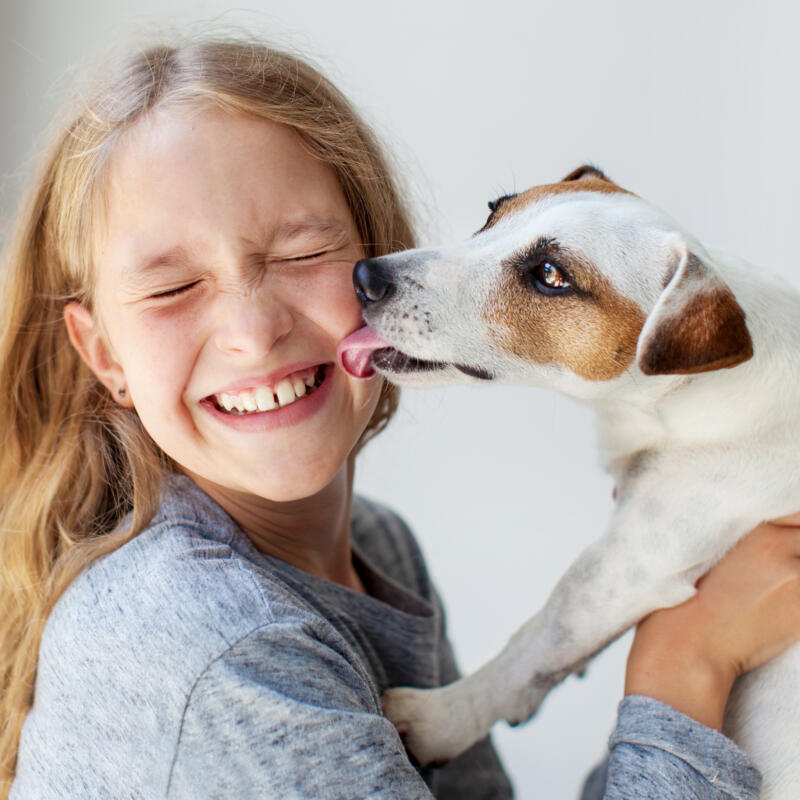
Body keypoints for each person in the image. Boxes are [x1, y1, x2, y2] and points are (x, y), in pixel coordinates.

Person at [0, 35, 798, 800]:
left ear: (378, 258)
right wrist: (687, 660)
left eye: (302, 252)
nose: (252, 332)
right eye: (173, 288)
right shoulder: (221, 651)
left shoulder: (375, 549)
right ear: (101, 353)